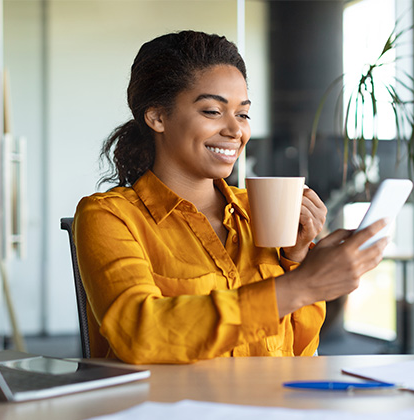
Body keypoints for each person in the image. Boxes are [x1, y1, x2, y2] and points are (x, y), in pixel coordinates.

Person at [73, 30, 388, 364]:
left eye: (243, 114)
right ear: (157, 117)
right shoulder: (109, 217)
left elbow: (299, 355)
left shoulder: (258, 211)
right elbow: (141, 334)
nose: (236, 131)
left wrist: (296, 262)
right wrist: (302, 286)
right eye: (212, 111)